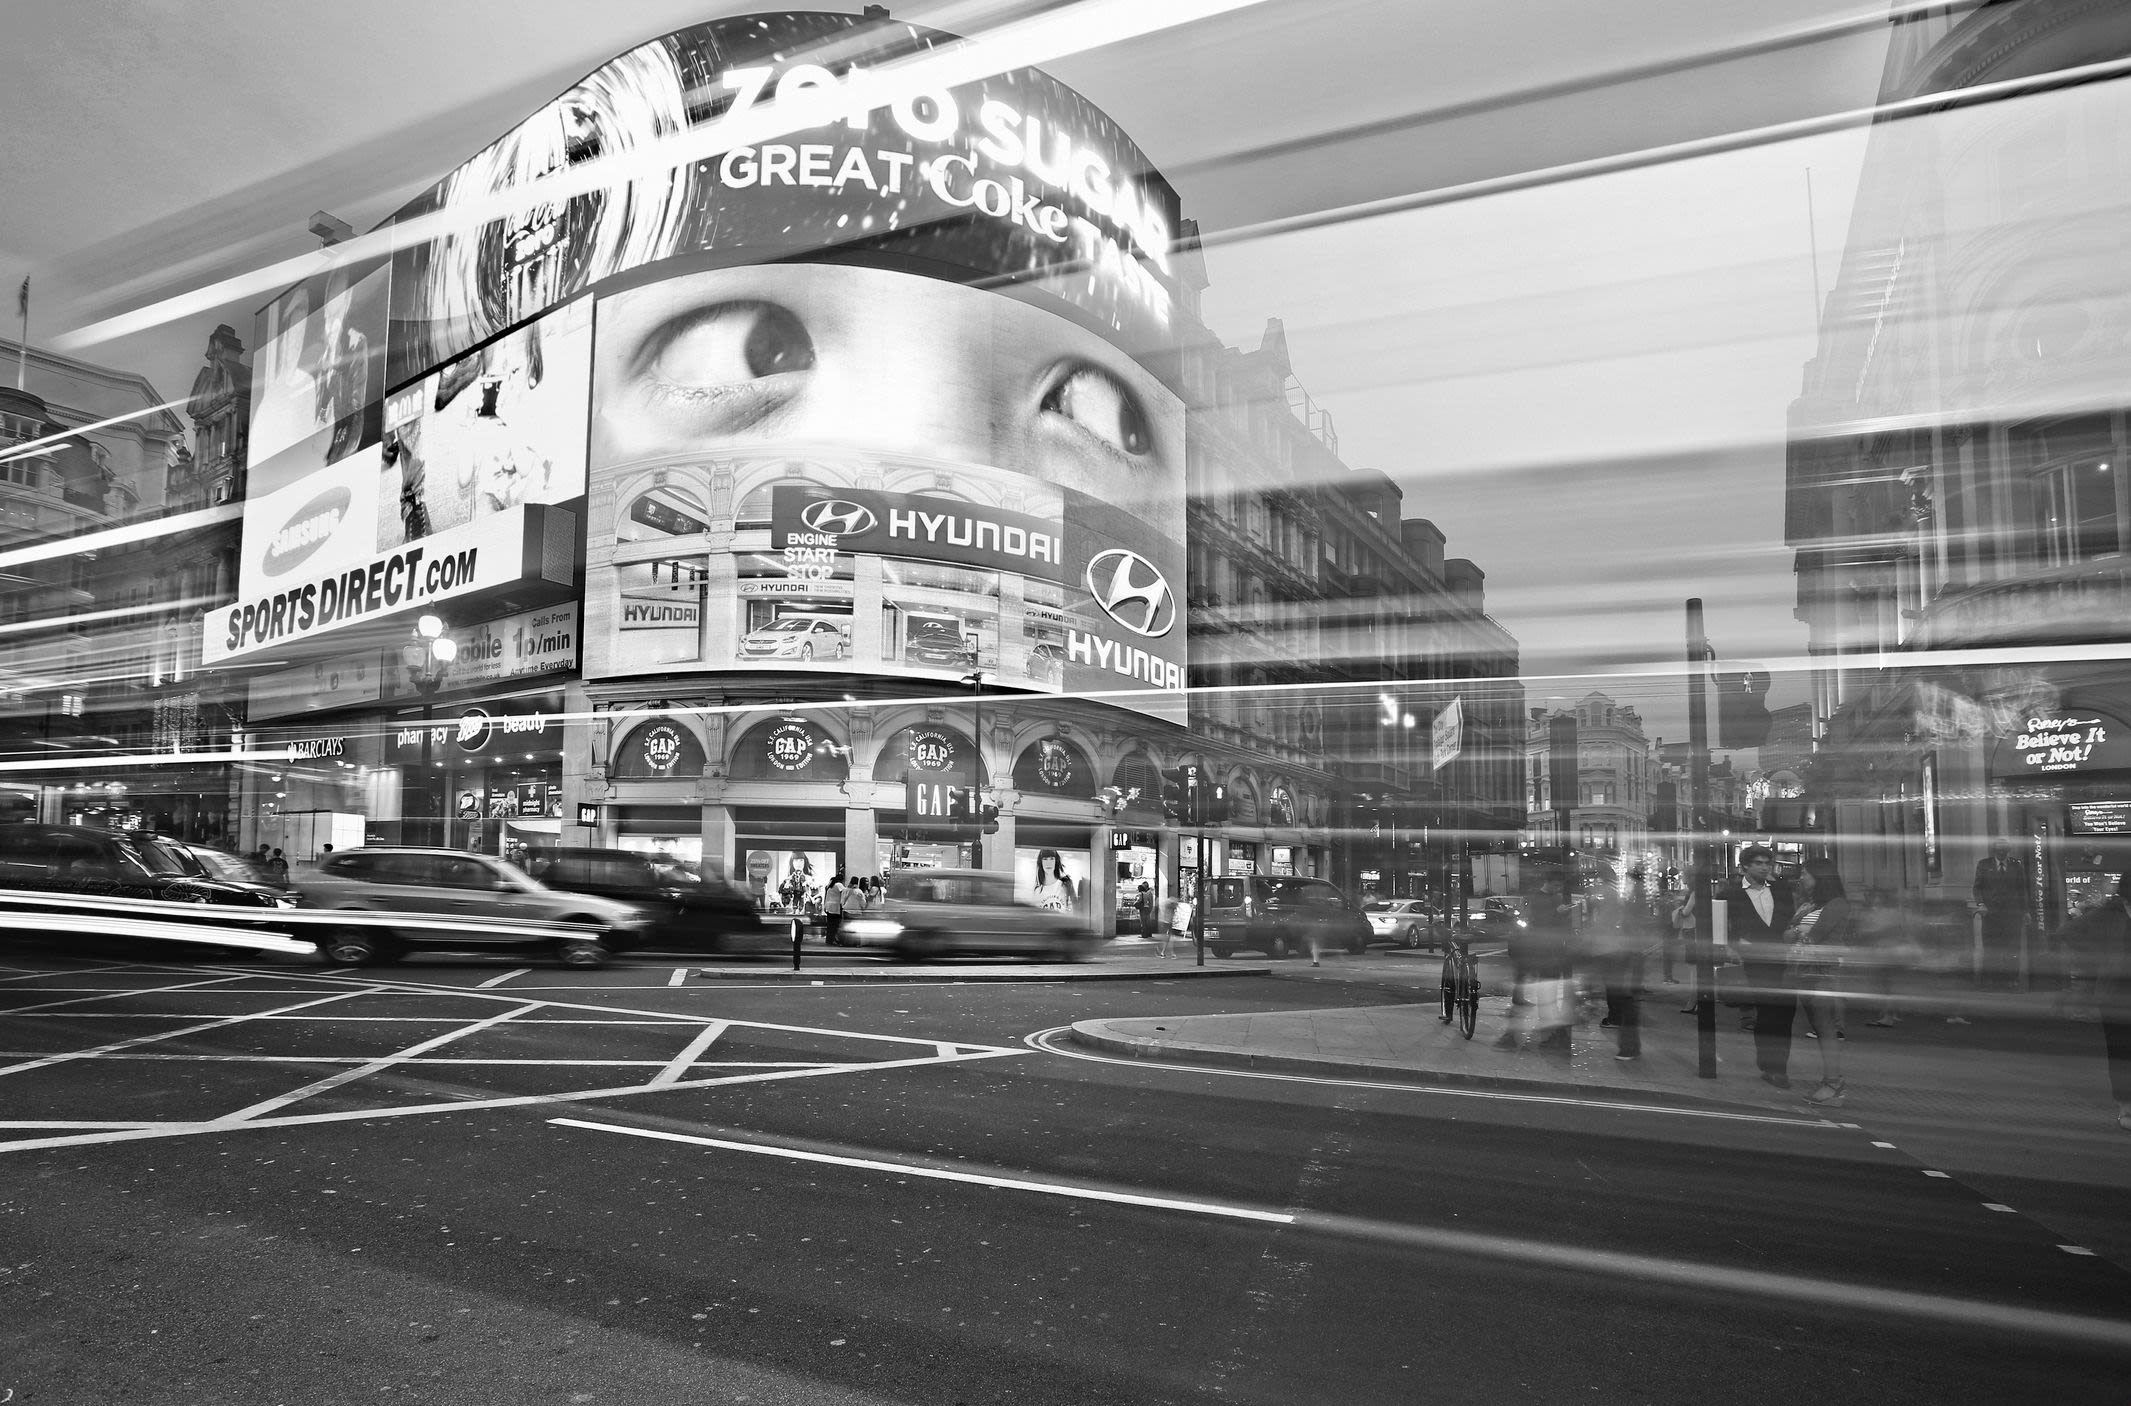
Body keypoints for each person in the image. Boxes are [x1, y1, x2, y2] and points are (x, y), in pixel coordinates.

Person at [2053, 871, 2131, 1133]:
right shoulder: (2109, 914)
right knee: (2120, 1051)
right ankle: (2126, 1106)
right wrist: (2099, 955)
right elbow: (2067, 932)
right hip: (2115, 995)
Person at [1782, 858, 1853, 1106]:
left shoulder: (1837, 904)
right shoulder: (1808, 904)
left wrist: (1799, 934)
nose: (1802, 878)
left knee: (1825, 1028)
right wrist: (1797, 934)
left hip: (1823, 972)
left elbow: (1814, 936)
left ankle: (1833, 1084)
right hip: (1804, 970)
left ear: (1820, 877)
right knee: (1819, 1026)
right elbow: (1787, 933)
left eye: (1806, 873)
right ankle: (1832, 1083)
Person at [1726, 846, 1797, 1089]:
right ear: (1745, 866)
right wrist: (1735, 943)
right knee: (1768, 1013)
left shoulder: (1781, 889)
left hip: (1784, 960)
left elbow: (1791, 919)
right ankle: (1770, 1065)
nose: (1765, 867)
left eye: (1767, 862)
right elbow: (1719, 926)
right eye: (1758, 863)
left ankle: (1779, 1067)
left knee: (1785, 1015)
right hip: (1756, 962)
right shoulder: (1731, 893)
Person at [1497, 870, 1578, 1054]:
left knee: (1546, 992)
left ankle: (1542, 1033)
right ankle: (1538, 1035)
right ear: (1548, 882)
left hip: (1550, 951)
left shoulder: (1554, 898)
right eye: (1556, 885)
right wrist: (1557, 913)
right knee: (1545, 992)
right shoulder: (1537, 899)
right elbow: (1536, 922)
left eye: (1560, 886)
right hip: (1539, 951)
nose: (1558, 889)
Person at [1971, 839, 2028, 988]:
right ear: (1994, 850)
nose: (2001, 852)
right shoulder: (1984, 865)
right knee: (1991, 947)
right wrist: (1981, 904)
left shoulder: (2017, 866)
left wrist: (2025, 911)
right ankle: (1991, 980)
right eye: (1998, 849)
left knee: (2013, 948)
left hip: (2012, 914)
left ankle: (2011, 980)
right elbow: (1977, 887)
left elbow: (2022, 890)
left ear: (2008, 850)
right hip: (1991, 914)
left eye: (2004, 849)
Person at [822, 873, 847, 948]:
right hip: (835, 908)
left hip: (829, 907)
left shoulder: (830, 886)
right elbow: (845, 893)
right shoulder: (839, 885)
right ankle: (834, 939)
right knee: (835, 925)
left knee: (830, 925)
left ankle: (829, 940)